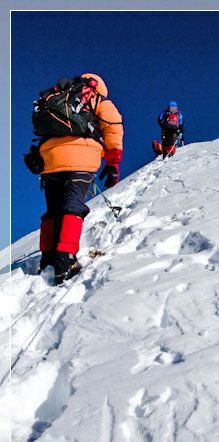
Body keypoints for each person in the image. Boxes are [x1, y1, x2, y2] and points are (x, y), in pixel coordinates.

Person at [35, 73, 123, 285]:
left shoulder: (59, 97)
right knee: (73, 205)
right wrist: (112, 163)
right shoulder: (97, 99)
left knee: (53, 210)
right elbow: (113, 127)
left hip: (50, 159)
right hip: (82, 159)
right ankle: (66, 258)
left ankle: (47, 258)